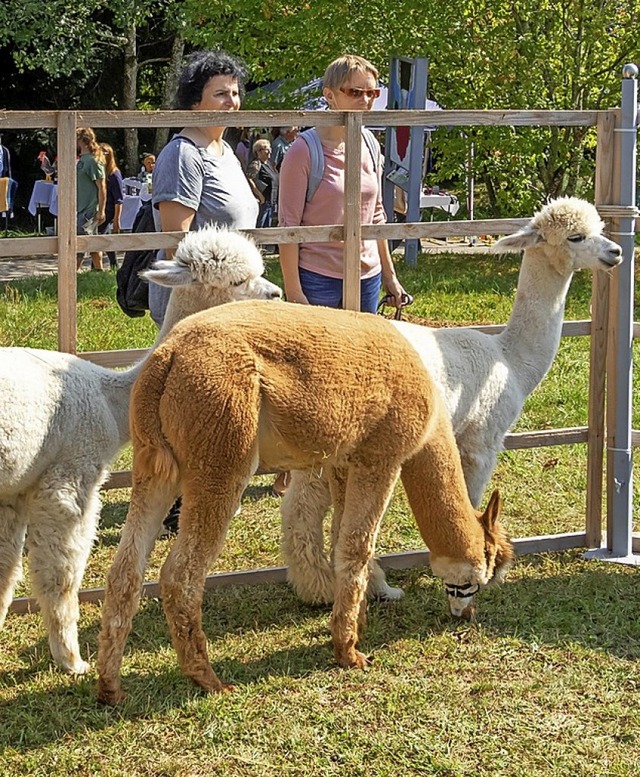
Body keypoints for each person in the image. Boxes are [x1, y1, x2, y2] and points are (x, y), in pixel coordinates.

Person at [275, 55, 409, 498]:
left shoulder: (369, 143)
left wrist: (389, 277)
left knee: (360, 373)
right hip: (317, 277)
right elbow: (288, 227)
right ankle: (294, 463)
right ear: (329, 95)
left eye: (372, 93)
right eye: (356, 92)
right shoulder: (304, 150)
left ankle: (345, 456)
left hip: (367, 275)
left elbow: (377, 218)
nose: (366, 101)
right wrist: (294, 292)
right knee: (311, 378)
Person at [149, 49, 259, 326]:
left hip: (230, 303)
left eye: (234, 93)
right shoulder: (183, 154)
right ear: (194, 102)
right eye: (221, 94)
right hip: (197, 310)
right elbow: (177, 244)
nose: (231, 102)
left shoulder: (227, 152)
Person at [76, 127, 106, 271]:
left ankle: (73, 271)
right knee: (93, 241)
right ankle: (99, 270)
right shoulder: (82, 160)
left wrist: (101, 210)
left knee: (80, 240)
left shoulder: (93, 161)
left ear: (81, 140)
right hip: (81, 206)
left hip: (89, 208)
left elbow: (102, 187)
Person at [97, 143, 124, 270]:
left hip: (109, 211)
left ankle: (97, 266)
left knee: (99, 236)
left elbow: (119, 200)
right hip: (100, 208)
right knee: (102, 236)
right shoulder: (101, 173)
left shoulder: (114, 174)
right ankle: (111, 264)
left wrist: (116, 220)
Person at [246, 138, 279, 230]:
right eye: (267, 149)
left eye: (269, 149)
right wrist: (260, 195)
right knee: (261, 226)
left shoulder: (269, 164)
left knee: (267, 227)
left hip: (271, 201)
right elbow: (249, 179)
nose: (269, 151)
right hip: (263, 202)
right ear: (259, 152)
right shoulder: (255, 164)